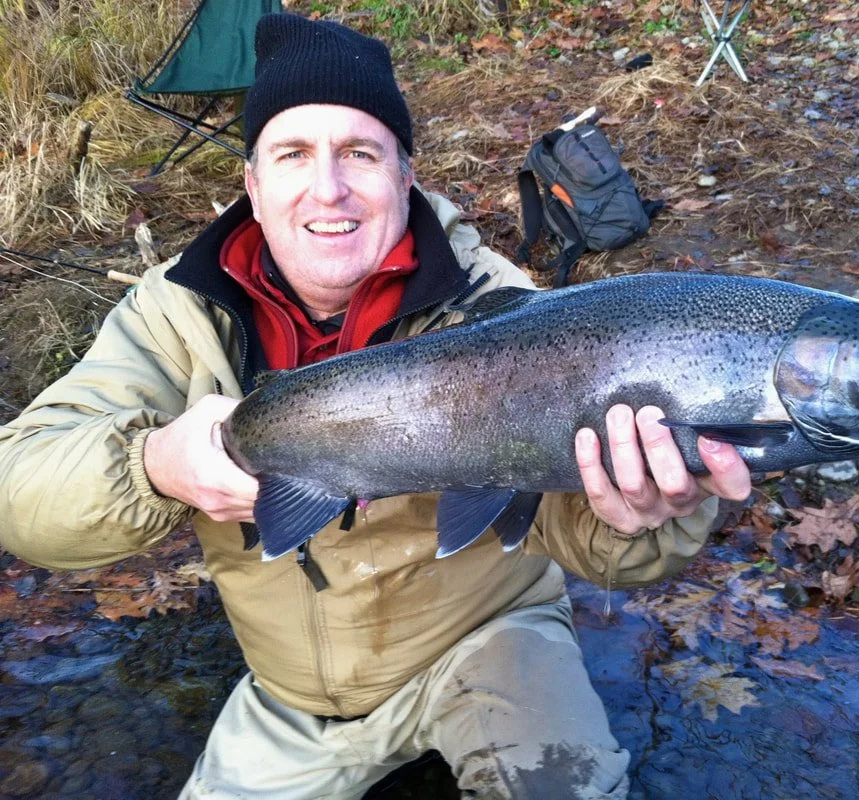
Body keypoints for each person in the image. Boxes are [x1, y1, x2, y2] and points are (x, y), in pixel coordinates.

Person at [0, 13, 752, 799]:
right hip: (291, 697)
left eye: (360, 153)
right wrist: (156, 465)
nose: (328, 187)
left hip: (490, 643)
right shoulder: (177, 315)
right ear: (253, 185)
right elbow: (22, 493)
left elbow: (603, 548)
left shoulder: (505, 313)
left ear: (405, 176)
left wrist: (645, 512)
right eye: (293, 154)